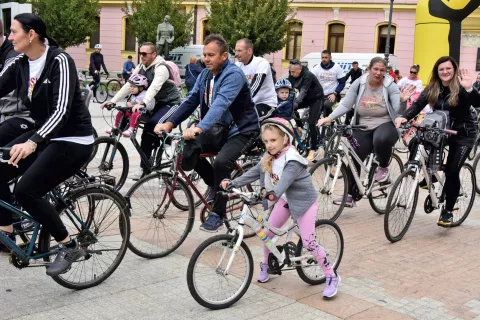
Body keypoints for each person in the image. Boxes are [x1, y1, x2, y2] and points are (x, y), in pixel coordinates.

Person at [0, 13, 94, 274]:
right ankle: (6, 230)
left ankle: (69, 244)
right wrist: (34, 139)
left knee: (26, 190)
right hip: (44, 135)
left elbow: (61, 111)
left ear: (31, 35)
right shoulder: (20, 62)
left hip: (73, 139)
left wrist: (32, 142)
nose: (9, 37)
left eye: (13, 31)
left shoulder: (59, 61)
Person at [220, 118, 341, 297]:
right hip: (285, 200)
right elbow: (254, 172)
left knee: (308, 242)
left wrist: (267, 195)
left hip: (303, 203)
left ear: (285, 139)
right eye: (266, 141)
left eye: (273, 140)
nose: (269, 145)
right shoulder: (270, 156)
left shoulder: (292, 160)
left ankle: (331, 276)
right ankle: (267, 265)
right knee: (267, 235)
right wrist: (232, 182)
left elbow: (281, 185)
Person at [154, 34, 260, 233]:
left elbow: (221, 104)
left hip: (242, 129)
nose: (206, 59)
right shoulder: (205, 75)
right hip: (218, 129)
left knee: (221, 161)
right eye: (204, 55)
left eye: (211, 55)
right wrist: (169, 122)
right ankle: (215, 184)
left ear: (224, 56)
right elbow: (191, 100)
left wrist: (199, 127)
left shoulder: (233, 75)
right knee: (187, 151)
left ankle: (218, 214)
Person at [318, 57, 415, 207]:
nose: (378, 73)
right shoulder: (359, 83)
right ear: (369, 69)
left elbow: (397, 110)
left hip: (386, 124)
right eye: (375, 69)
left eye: (382, 70)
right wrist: (329, 118)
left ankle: (383, 167)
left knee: (380, 140)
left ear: (386, 71)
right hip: (362, 125)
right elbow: (346, 104)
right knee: (354, 155)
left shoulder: (390, 85)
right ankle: (351, 195)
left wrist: (403, 100)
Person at [395, 56, 480, 226]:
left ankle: (448, 211)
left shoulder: (461, 87)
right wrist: (404, 117)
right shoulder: (433, 87)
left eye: (448, 68)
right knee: (415, 142)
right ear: (437, 72)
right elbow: (418, 105)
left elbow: (477, 103)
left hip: (463, 133)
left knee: (452, 171)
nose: (445, 72)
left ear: (454, 70)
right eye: (441, 69)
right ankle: (431, 175)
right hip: (440, 129)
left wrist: (470, 88)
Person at [102, 42, 181, 180]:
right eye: (140, 53)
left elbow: (154, 87)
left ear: (154, 54)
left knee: (153, 125)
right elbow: (129, 85)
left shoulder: (161, 68)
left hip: (170, 103)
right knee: (143, 131)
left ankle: (170, 144)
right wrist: (113, 101)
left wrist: (143, 103)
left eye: (144, 54)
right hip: (153, 104)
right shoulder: (140, 67)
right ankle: (145, 165)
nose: (141, 56)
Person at [0, 17, 34, 146]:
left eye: (14, 32)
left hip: (21, 116)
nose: (11, 37)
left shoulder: (14, 55)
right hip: (7, 113)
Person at [288, 59, 324, 161]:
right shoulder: (292, 74)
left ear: (300, 69)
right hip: (307, 99)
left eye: (293, 72)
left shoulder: (308, 75)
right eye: (290, 71)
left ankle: (313, 149)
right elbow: (289, 88)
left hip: (316, 99)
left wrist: (295, 103)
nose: (291, 73)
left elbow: (303, 91)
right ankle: (300, 127)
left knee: (312, 122)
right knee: (290, 107)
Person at [312, 50, 346, 155]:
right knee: (313, 112)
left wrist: (335, 93)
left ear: (330, 57)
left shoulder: (336, 68)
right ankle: (315, 139)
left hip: (332, 95)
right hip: (320, 95)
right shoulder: (317, 68)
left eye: (326, 57)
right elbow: (311, 81)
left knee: (327, 105)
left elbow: (342, 82)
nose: (324, 59)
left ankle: (329, 122)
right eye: (322, 57)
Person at [235, 38, 277, 120]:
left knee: (247, 120)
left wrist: (241, 101)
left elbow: (255, 86)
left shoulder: (261, 63)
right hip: (248, 105)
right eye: (236, 51)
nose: (236, 54)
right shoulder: (237, 66)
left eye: (239, 51)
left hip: (265, 104)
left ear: (249, 51)